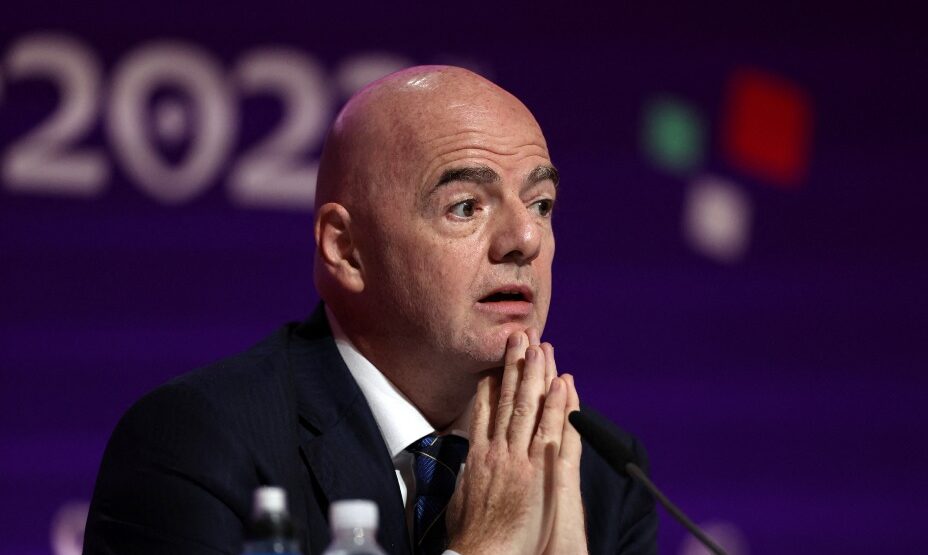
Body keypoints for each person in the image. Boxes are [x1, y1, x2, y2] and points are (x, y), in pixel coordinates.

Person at [83, 66, 657, 555]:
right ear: (347, 250)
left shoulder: (602, 473)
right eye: (465, 206)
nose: (525, 239)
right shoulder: (200, 444)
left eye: (541, 204)